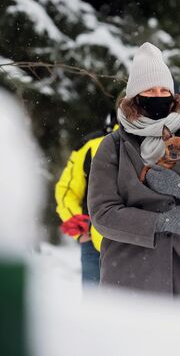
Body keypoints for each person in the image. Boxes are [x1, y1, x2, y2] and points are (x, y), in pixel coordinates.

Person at [87, 42, 180, 299]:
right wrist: (159, 222)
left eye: (165, 89)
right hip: (128, 273)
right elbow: (102, 213)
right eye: (150, 90)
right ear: (135, 97)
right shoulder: (113, 145)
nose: (158, 95)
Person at [55, 112, 118, 287]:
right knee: (95, 308)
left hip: (143, 248)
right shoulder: (92, 144)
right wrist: (80, 229)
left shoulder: (164, 142)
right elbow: (66, 191)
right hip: (95, 245)